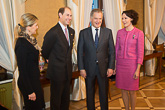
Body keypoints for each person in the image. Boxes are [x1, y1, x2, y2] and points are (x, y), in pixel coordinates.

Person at [77, 9, 115, 110]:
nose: (98, 21)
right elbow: (80, 52)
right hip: (88, 69)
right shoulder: (83, 33)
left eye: (100, 19)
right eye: (95, 18)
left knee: (104, 94)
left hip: (104, 68)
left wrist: (111, 67)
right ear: (91, 18)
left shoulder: (108, 32)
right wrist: (81, 68)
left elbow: (112, 51)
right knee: (89, 94)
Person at [41, 7, 75, 110]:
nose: (69, 18)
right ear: (60, 15)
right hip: (56, 72)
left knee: (65, 99)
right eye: (67, 15)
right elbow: (45, 50)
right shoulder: (53, 32)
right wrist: (48, 58)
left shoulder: (71, 31)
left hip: (67, 71)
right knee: (56, 100)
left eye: (70, 15)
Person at [14, 13, 45, 110]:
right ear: (28, 27)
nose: (37, 27)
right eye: (35, 25)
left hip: (33, 80)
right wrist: (30, 91)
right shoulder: (21, 44)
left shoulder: (30, 41)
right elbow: (22, 70)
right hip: (28, 83)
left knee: (40, 106)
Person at [115, 10, 144, 110]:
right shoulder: (119, 32)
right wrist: (114, 65)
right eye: (122, 18)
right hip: (120, 65)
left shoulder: (139, 33)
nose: (123, 20)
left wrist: (138, 69)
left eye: (125, 18)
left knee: (132, 90)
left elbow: (140, 52)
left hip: (132, 66)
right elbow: (116, 50)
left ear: (131, 19)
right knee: (123, 90)